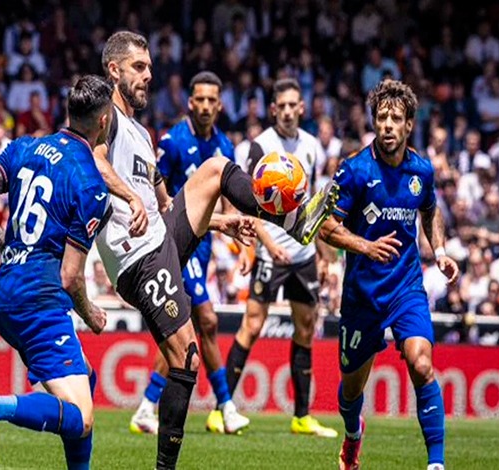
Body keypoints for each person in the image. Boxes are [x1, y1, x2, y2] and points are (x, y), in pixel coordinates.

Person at [92, 31, 338, 469]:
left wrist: (223, 221)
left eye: (149, 67)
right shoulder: (105, 116)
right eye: (139, 68)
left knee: (216, 169)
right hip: (136, 255)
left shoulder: (142, 133)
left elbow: (164, 204)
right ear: (114, 70)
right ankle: (174, 451)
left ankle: (295, 222)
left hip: (159, 240)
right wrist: (129, 199)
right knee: (188, 350)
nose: (149, 75)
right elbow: (93, 161)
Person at [0, 75, 114, 469]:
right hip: (39, 300)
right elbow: (70, 277)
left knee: (85, 380)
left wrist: (5, 246)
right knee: (81, 417)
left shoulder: (26, 146)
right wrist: (90, 312)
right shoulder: (90, 184)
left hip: (5, 293)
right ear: (104, 121)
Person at [319, 79, 459, 470]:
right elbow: (326, 226)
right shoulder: (354, 171)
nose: (388, 125)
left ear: (409, 124)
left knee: (421, 363)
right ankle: (352, 434)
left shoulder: (422, 171)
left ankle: (436, 463)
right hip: (363, 295)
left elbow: (430, 210)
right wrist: (366, 247)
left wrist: (441, 251)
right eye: (381, 117)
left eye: (396, 118)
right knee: (351, 391)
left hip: (406, 288)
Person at [130, 71, 250, 436]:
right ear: (190, 102)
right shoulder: (173, 141)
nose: (206, 106)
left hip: (205, 246)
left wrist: (243, 244)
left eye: (213, 100)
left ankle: (149, 405)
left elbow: (230, 199)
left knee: (182, 329)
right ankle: (226, 406)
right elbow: (156, 190)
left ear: (220, 104)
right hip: (176, 242)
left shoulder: (225, 146)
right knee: (207, 321)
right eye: (200, 99)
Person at [223, 78, 338, 438]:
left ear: (302, 108)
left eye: (294, 105)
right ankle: (221, 408)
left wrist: (323, 252)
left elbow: (311, 204)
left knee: (305, 328)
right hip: (272, 250)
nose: (288, 111)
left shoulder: (311, 147)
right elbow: (244, 199)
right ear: (273, 109)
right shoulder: (259, 147)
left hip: (303, 254)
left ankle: (302, 416)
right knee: (252, 325)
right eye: (282, 106)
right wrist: (257, 245)